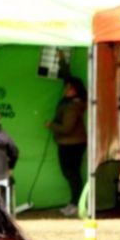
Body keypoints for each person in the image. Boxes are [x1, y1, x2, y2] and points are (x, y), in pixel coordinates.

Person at [46, 76, 87, 217]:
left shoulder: (71, 106)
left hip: (71, 144)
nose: (65, 90)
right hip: (73, 143)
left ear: (75, 90)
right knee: (72, 174)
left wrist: (51, 125)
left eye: (69, 88)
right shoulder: (73, 103)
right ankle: (75, 202)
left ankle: (76, 203)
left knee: (71, 174)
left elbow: (66, 128)